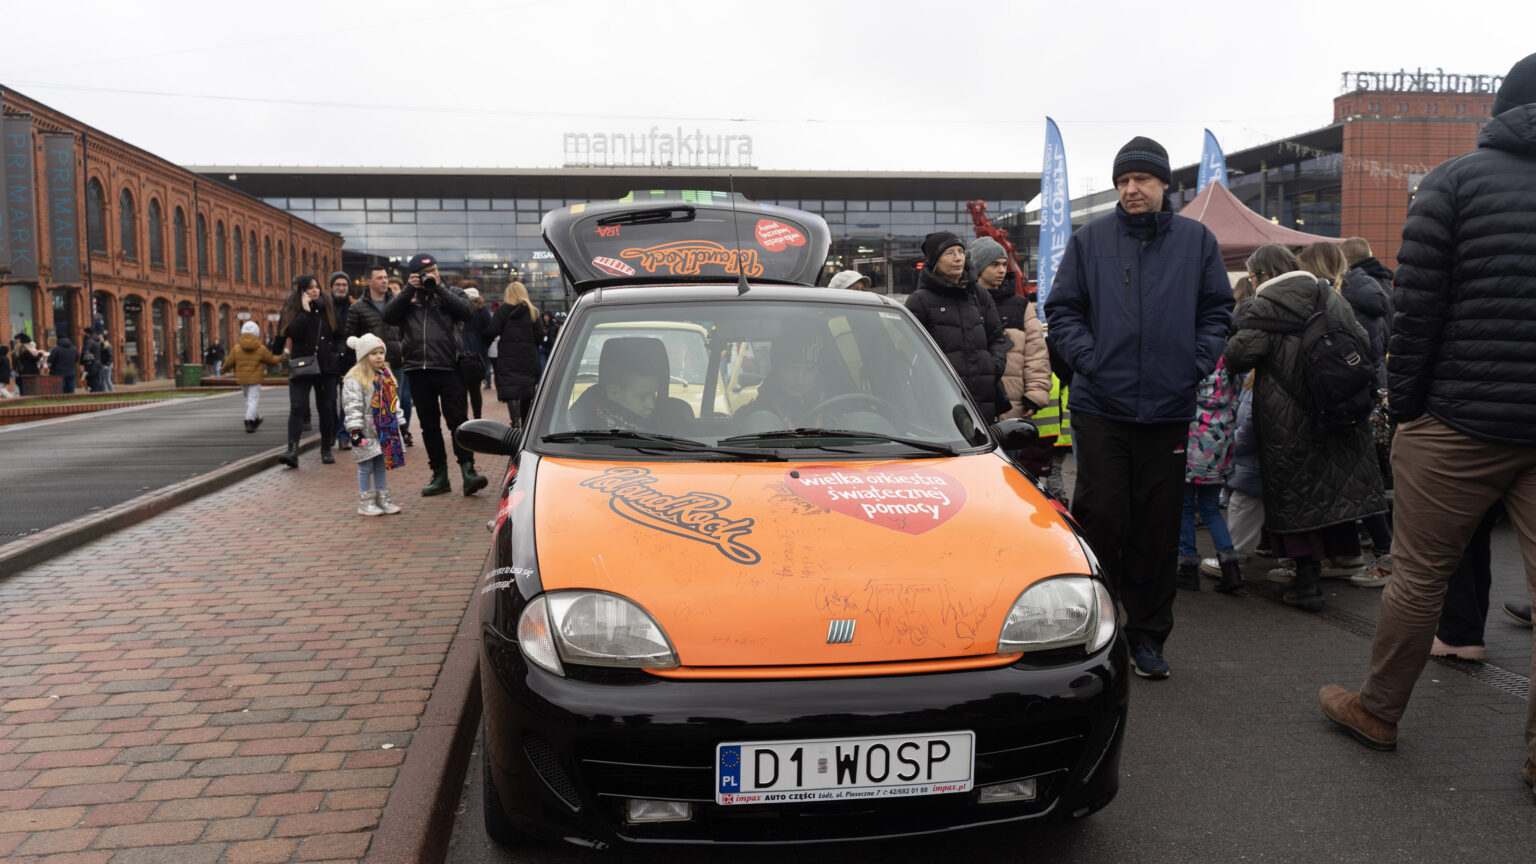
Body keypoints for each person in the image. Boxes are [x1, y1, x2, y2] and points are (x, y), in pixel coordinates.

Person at [1320, 57, 1536, 767]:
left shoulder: (1454, 181)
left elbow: (1416, 315)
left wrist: (1407, 410)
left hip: (1456, 421)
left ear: (1501, 108)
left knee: (1418, 576)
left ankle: (1378, 712)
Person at [1044, 136, 1234, 679]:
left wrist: (1195, 362)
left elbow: (1218, 312)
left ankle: (1148, 636)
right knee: (1102, 518)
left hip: (1167, 410)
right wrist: (1089, 359)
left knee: (1155, 527)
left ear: (1164, 185)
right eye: (1123, 181)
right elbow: (1063, 310)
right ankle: (1092, 627)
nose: (1131, 189)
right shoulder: (1090, 240)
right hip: (1100, 406)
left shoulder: (1196, 241)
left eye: (1142, 180)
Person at [1224, 244, 1386, 611]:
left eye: (1251, 276)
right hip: (1338, 410)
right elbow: (1361, 341)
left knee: (1294, 495)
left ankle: (1306, 580)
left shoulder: (1263, 305)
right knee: (1329, 489)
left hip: (1288, 417)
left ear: (1263, 275)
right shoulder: (1328, 293)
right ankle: (1337, 561)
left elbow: (1237, 357)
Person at [1296, 241, 1390, 583]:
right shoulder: (1372, 292)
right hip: (1364, 391)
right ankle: (1354, 552)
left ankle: (1383, 554)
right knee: (1358, 477)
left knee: (1359, 480)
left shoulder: (1333, 299)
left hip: (1344, 396)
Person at [382, 253, 487, 497]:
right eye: (424, 273)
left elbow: (467, 312)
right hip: (417, 368)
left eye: (434, 271)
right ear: (414, 275)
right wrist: (409, 289)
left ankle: (468, 471)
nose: (430, 276)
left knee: (458, 421)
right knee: (429, 426)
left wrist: (439, 288)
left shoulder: (452, 294)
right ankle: (439, 476)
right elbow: (388, 316)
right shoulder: (408, 298)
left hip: (450, 367)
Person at [905, 231, 1009, 421]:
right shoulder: (919, 301)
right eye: (949, 253)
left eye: (960, 251)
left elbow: (997, 338)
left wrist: (992, 367)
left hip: (983, 397)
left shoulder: (979, 294)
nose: (958, 258)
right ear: (935, 260)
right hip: (941, 400)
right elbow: (910, 351)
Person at [1179, 354, 1244, 595]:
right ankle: (1231, 567)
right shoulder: (1231, 362)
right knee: (1210, 509)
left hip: (1193, 443)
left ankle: (1187, 568)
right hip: (1220, 444)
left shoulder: (1193, 359)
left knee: (1185, 506)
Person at [276, 274, 343, 468]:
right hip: (302, 365)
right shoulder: (294, 310)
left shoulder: (327, 308)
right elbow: (291, 333)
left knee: (326, 408)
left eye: (317, 287)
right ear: (301, 292)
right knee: (297, 406)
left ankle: (326, 449)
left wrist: (336, 353)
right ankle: (292, 450)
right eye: (310, 288)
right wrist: (305, 312)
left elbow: (339, 333)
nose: (315, 290)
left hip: (326, 366)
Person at [346, 265, 413, 448]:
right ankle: (377, 439)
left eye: (386, 277)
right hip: (370, 366)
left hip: (396, 359)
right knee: (373, 402)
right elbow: (351, 336)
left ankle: (397, 436)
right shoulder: (357, 307)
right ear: (369, 281)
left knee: (396, 399)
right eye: (380, 278)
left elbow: (407, 330)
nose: (385, 281)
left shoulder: (398, 304)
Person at [342, 333, 406, 518]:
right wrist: (355, 431)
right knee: (365, 466)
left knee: (381, 464)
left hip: (385, 430)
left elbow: (394, 403)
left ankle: (382, 498)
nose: (379, 357)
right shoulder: (355, 379)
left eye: (381, 352)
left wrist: (401, 424)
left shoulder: (386, 376)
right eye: (373, 353)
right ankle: (365, 501)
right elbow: (352, 406)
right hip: (366, 430)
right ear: (363, 356)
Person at [483, 281, 542, 429]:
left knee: (511, 390)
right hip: (529, 358)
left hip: (508, 357)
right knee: (527, 389)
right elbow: (539, 337)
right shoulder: (533, 311)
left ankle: (515, 422)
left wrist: (481, 342)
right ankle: (525, 423)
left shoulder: (502, 311)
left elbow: (492, 331)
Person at [225, 320, 284, 432]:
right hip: (255, 379)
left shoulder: (236, 349)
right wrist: (281, 358)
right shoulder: (261, 349)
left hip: (242, 379)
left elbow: (229, 362)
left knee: (248, 399)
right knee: (253, 399)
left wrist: (224, 369)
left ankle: (255, 417)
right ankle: (249, 420)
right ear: (257, 333)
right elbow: (271, 360)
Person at [458, 284, 491, 420]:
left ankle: (463, 419)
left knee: (461, 391)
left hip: (460, 353)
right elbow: (489, 331)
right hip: (477, 355)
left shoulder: (459, 309)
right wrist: (483, 345)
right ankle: (477, 417)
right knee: (476, 391)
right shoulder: (482, 310)